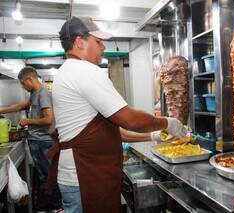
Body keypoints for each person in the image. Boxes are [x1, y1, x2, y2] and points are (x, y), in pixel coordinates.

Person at [47, 16, 187, 213]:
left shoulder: (67, 71)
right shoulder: (84, 71)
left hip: (82, 177)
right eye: (98, 41)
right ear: (79, 42)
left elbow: (111, 131)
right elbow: (128, 119)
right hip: (86, 178)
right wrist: (167, 123)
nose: (103, 47)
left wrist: (152, 136)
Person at [0, 66, 62, 211]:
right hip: (37, 141)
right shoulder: (35, 93)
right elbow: (20, 106)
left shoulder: (43, 94)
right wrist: (2, 110)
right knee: (43, 175)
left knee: (48, 175)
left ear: (29, 79)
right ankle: (52, 204)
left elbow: (48, 119)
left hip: (43, 142)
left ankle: (57, 206)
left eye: (22, 83)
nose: (22, 86)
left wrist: (28, 122)